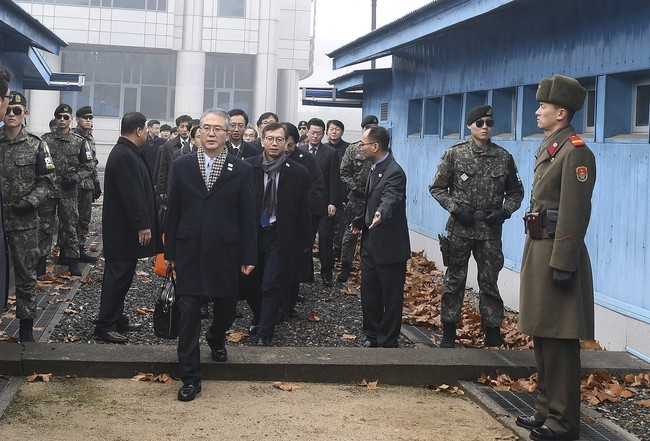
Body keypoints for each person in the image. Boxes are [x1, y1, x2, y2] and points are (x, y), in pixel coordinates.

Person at [516, 75, 595, 441]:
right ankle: (546, 410)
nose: (537, 111)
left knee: (561, 342)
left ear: (560, 113)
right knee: (542, 334)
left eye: (543, 106)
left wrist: (563, 262)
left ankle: (563, 424)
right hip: (539, 248)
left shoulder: (575, 151)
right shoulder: (551, 146)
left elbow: (575, 211)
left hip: (558, 253)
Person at [165, 108, 257, 402]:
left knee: (226, 309)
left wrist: (249, 255)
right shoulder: (182, 165)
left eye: (218, 128)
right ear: (198, 132)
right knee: (189, 313)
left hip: (226, 251)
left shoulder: (241, 169)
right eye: (206, 128)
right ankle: (190, 377)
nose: (211, 133)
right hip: (189, 249)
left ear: (228, 133)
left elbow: (248, 215)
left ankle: (216, 337)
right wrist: (170, 252)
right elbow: (174, 210)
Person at [429, 105, 524, 348]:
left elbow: (516, 192)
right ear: (470, 126)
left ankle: (492, 331)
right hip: (460, 229)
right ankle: (449, 331)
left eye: (489, 123)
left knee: (489, 282)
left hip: (490, 232)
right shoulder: (455, 154)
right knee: (454, 281)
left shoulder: (504, 158)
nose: (485, 127)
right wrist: (456, 209)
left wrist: (504, 211)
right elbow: (437, 188)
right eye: (479, 123)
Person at [93, 112, 162, 343]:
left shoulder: (128, 152)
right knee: (117, 277)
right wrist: (142, 224)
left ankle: (116, 318)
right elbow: (132, 194)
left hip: (124, 231)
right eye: (145, 131)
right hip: (122, 231)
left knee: (123, 276)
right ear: (140, 130)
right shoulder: (124, 155)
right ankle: (105, 325)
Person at [245, 122, 311, 346]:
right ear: (262, 140)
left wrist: (305, 242)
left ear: (287, 144)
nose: (274, 143)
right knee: (250, 283)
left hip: (279, 235)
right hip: (252, 234)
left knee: (271, 283)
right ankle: (259, 316)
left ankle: (265, 331)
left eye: (279, 140)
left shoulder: (298, 173)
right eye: (270, 139)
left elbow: (303, 209)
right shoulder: (248, 167)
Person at [0, 89, 55, 342]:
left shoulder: (37, 144)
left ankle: (25, 325)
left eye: (17, 111)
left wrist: (30, 202)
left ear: (26, 113)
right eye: (8, 110)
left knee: (25, 275)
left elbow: (47, 182)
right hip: (0, 224)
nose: (11, 115)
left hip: (23, 222)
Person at [350, 125, 410, 348]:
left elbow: (390, 198)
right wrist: (361, 218)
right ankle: (372, 334)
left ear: (375, 146)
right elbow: (372, 199)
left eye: (363, 144)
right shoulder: (374, 168)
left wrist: (380, 213)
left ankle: (388, 339)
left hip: (390, 246)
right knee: (369, 292)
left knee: (391, 296)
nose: (360, 147)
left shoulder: (394, 171)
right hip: (370, 242)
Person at [39, 103, 95, 276]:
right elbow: (38, 163)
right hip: (49, 191)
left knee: (70, 226)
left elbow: (89, 165)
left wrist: (75, 178)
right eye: (59, 117)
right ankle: (40, 262)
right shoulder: (45, 140)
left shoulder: (80, 142)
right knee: (45, 227)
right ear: (55, 119)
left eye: (65, 117)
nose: (62, 120)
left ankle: (72, 262)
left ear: (71, 119)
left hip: (69, 192)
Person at [283, 122, 323, 312]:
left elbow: (316, 189)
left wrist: (300, 207)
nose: (285, 149)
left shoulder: (306, 160)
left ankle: (289, 302)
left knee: (294, 263)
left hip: (298, 222)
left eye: (290, 145)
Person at [300, 118, 339, 286]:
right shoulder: (300, 151)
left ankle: (326, 272)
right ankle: (307, 273)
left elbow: (334, 180)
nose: (315, 136)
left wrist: (333, 202)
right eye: (312, 132)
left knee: (325, 238)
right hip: (306, 205)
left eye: (319, 133)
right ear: (307, 132)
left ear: (323, 134)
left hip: (324, 205)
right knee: (306, 240)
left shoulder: (330, 153)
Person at [337, 115, 375, 282]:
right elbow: (344, 172)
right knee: (350, 233)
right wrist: (354, 187)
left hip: (374, 199)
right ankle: (345, 266)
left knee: (373, 233)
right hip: (356, 199)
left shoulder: (382, 148)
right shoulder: (353, 149)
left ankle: (370, 266)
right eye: (368, 126)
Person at [72, 105, 101, 263]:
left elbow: (92, 163)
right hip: (74, 184)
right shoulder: (72, 136)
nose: (88, 121)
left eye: (90, 118)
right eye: (85, 118)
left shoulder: (90, 137)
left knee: (84, 219)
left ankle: (80, 248)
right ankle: (69, 251)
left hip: (87, 184)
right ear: (77, 119)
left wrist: (96, 182)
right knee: (71, 219)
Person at [325, 119, 350, 260]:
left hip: (344, 192)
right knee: (328, 225)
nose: (334, 131)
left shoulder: (348, 148)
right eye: (331, 129)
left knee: (343, 225)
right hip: (327, 192)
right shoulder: (323, 148)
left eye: (337, 129)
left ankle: (340, 251)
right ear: (327, 131)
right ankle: (328, 251)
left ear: (342, 131)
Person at [156, 114, 192, 200]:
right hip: (172, 184)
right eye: (181, 126)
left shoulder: (195, 143)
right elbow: (163, 168)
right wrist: (162, 190)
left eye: (186, 127)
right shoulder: (168, 145)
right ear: (177, 128)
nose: (184, 129)